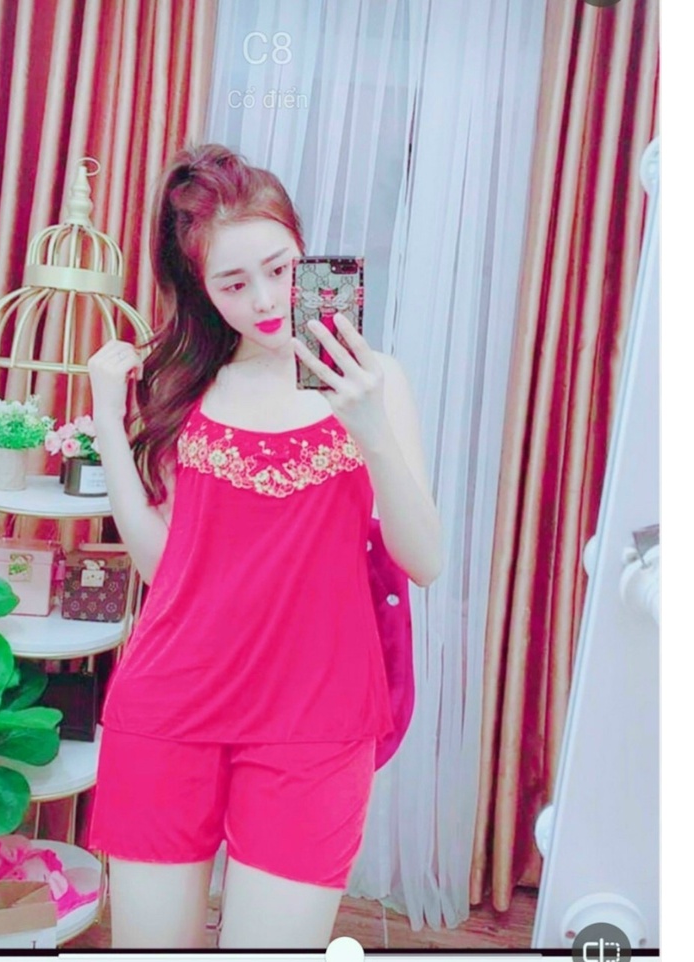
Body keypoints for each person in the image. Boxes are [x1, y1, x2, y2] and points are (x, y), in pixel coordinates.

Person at [85, 143, 442, 949]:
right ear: (201, 289)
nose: (267, 300)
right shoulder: (184, 383)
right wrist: (110, 420)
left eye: (279, 269)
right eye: (234, 283)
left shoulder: (373, 379)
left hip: (318, 721)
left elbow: (426, 561)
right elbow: (163, 568)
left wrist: (370, 429)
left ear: (303, 250)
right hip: (170, 707)